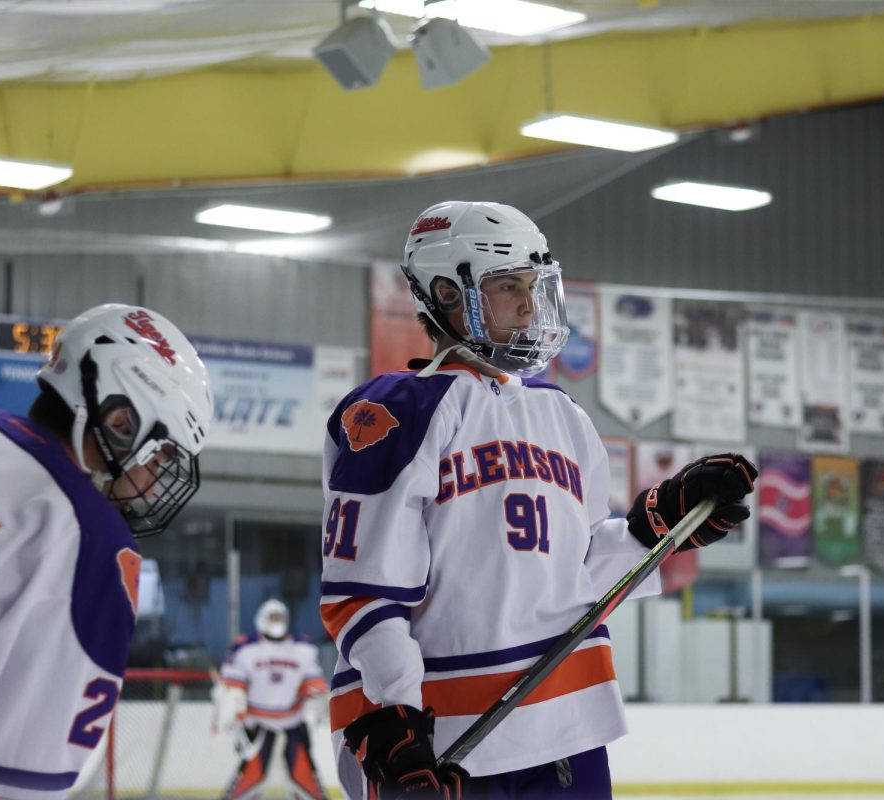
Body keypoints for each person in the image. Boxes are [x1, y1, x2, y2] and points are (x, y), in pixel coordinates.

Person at [319, 201, 758, 800]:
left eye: (534, 286)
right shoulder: (395, 413)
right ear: (447, 294)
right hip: (442, 742)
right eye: (506, 287)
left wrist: (656, 526)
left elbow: (571, 574)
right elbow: (364, 587)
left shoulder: (563, 416)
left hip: (568, 731)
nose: (528, 305)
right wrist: (394, 715)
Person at [0, 303, 212, 799]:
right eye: (160, 455)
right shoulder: (87, 538)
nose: (150, 483)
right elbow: (3, 785)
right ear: (120, 421)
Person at [214, 599, 331, 800]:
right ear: (261, 619)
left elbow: (314, 684)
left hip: (292, 723)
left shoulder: (304, 648)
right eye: (272, 617)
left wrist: (317, 705)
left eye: (279, 617)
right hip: (257, 725)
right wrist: (231, 713)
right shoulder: (244, 649)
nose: (276, 621)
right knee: (246, 784)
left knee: (308, 785)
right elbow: (232, 688)